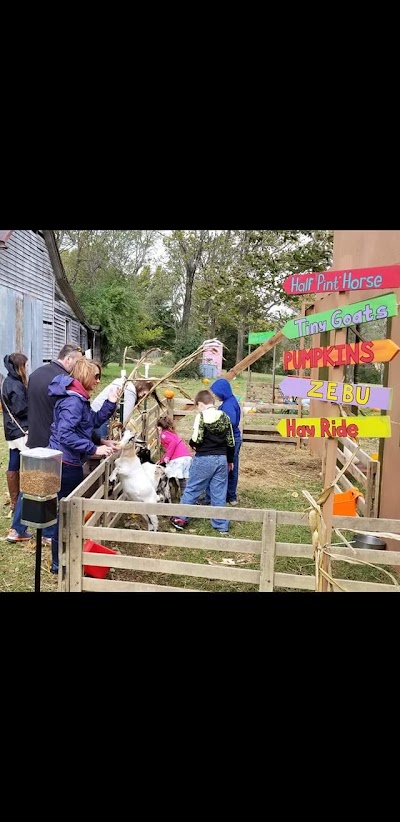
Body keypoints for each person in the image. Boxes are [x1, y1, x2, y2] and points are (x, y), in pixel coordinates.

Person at [7, 345, 117, 543]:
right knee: (53, 492)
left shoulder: (38, 375)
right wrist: (94, 445)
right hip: (58, 445)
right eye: (76, 362)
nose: (98, 381)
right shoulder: (69, 391)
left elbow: (82, 422)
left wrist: (101, 430)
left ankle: (19, 529)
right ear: (68, 360)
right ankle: (50, 535)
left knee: (34, 487)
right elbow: (71, 426)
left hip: (40, 438)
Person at [47, 358, 119, 573]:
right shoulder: (73, 401)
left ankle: (62, 560)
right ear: (85, 375)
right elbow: (65, 434)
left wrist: (110, 404)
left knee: (68, 513)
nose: (98, 381)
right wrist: (93, 449)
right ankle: (59, 563)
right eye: (96, 376)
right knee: (67, 514)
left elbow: (90, 423)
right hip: (66, 463)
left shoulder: (79, 397)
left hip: (69, 460)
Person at [170, 389, 235, 533]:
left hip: (204, 458)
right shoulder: (225, 417)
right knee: (219, 492)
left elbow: (197, 439)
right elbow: (231, 441)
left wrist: (193, 445)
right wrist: (230, 460)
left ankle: (180, 519)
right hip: (221, 459)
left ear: (200, 404)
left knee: (193, 488)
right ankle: (221, 525)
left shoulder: (201, 417)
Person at [1, 354, 29, 529]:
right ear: (20, 367)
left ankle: (14, 502)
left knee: (13, 464)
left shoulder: (8, 382)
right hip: (20, 430)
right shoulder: (17, 385)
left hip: (11, 429)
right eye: (25, 365)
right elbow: (20, 409)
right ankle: (21, 502)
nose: (27, 368)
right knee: (28, 468)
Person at [208, 377, 242, 506]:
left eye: (217, 393)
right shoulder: (230, 401)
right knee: (230, 466)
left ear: (222, 391)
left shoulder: (228, 404)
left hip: (231, 439)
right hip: (232, 438)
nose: (216, 396)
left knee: (229, 466)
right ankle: (229, 495)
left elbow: (231, 421)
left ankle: (229, 496)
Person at [156, 416, 192, 497]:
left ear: (159, 427)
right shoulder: (172, 433)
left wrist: (167, 457)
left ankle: (165, 493)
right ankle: (185, 496)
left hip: (178, 459)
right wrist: (162, 460)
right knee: (182, 478)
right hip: (186, 457)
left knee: (167, 473)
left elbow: (172, 443)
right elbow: (170, 448)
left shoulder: (163, 434)